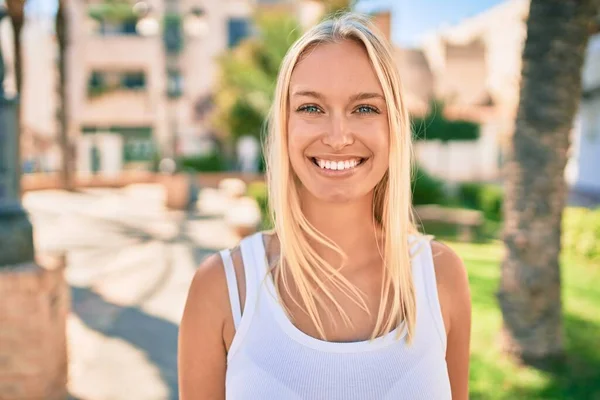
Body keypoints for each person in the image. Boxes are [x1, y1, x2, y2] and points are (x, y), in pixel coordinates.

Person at [179, 12, 471, 400]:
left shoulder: (441, 277)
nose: (337, 137)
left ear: (394, 127)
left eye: (365, 108)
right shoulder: (222, 288)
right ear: (285, 126)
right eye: (311, 108)